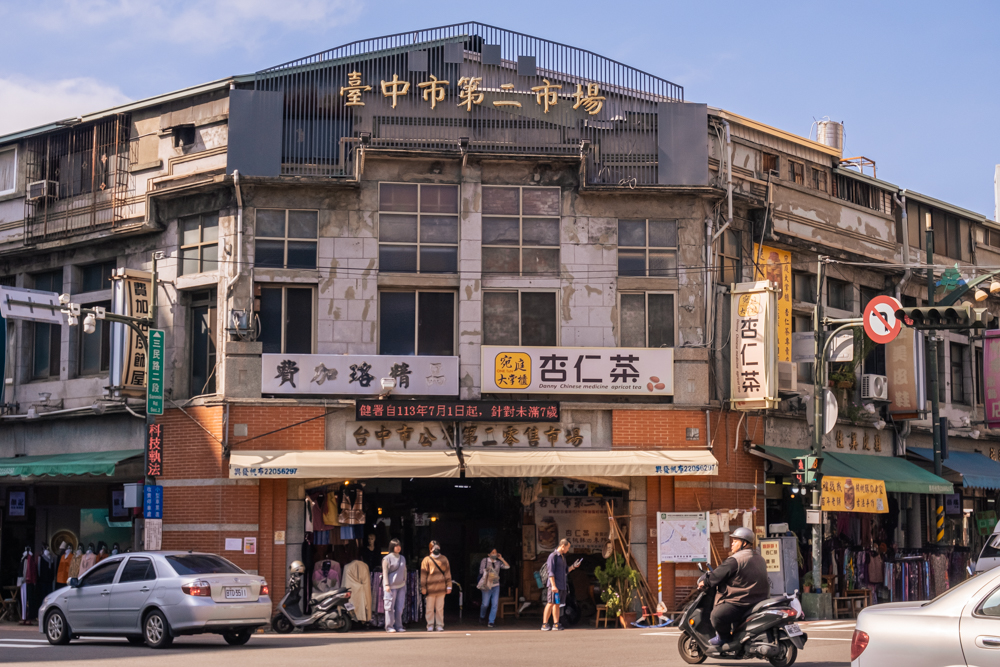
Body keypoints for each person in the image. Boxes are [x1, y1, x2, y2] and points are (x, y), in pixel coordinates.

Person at [698, 526, 769, 650]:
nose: (732, 544)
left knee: (717, 616)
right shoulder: (759, 558)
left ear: (744, 543)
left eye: (735, 541)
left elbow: (717, 575)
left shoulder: (735, 560)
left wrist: (705, 581)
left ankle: (724, 638)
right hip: (759, 600)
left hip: (742, 602)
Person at [542, 539, 580, 631]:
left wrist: (573, 566)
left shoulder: (563, 557)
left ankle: (556, 624)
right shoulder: (553, 556)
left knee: (557, 604)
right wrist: (553, 585)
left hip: (561, 585)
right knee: (550, 603)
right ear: (563, 546)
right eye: (567, 547)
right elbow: (550, 572)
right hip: (554, 585)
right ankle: (544, 624)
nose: (568, 549)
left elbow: (565, 570)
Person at [420, 540, 452, 632]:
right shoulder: (426, 560)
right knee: (429, 608)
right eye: (434, 547)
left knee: (440, 608)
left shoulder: (444, 559)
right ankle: (430, 624)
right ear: (430, 549)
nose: (436, 549)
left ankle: (439, 625)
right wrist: (423, 587)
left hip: (441, 588)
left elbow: (447, 573)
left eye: (437, 547)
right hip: (430, 589)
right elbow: (423, 575)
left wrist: (449, 586)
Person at [478, 548, 509, 628]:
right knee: (485, 604)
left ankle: (491, 621)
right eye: (493, 552)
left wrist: (501, 558)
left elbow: (507, 566)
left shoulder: (498, 562)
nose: (494, 554)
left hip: (496, 585)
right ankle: (482, 616)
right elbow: (481, 571)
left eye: (496, 553)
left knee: (495, 604)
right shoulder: (484, 560)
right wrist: (489, 572)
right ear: (489, 554)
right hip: (486, 584)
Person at [382, 539, 407, 633]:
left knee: (400, 607)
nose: (398, 547)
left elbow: (405, 570)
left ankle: (399, 625)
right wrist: (386, 585)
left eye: (399, 545)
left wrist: (405, 581)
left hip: (401, 585)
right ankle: (389, 626)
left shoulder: (402, 558)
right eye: (396, 545)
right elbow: (385, 572)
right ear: (392, 547)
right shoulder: (386, 559)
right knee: (389, 608)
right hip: (391, 586)